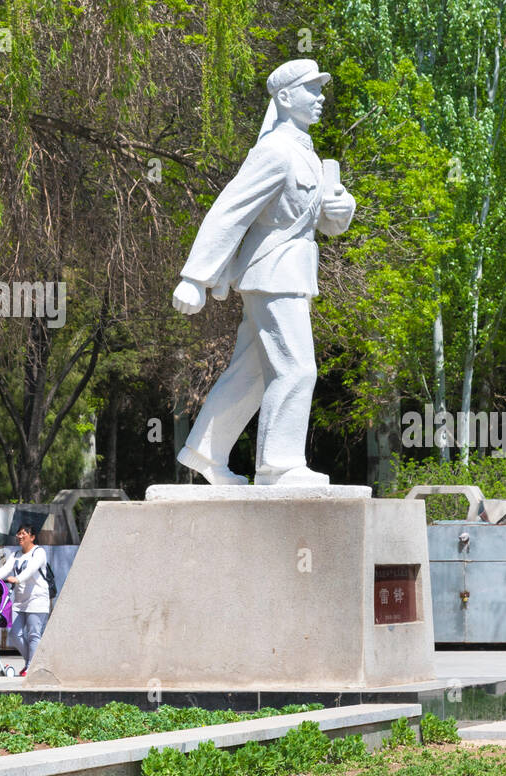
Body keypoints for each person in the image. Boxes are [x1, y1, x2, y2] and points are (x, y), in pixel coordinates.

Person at [171, 59, 357, 487]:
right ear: (286, 97)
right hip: (272, 275)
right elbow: (230, 211)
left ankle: (205, 451)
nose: (321, 97)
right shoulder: (274, 151)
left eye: (320, 89)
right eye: (312, 90)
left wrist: (340, 212)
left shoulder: (306, 153)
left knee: (252, 372)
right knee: (295, 369)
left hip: (291, 273)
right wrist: (194, 278)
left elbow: (320, 221)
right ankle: (278, 465)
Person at [0, 524, 50, 676]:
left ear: (32, 537)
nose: (20, 536)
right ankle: (33, 662)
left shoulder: (39, 552)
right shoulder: (16, 554)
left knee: (33, 635)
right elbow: (5, 569)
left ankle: (30, 666)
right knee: (14, 634)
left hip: (37, 599)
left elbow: (31, 570)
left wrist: (17, 579)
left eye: (24, 533)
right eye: (19, 533)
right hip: (19, 600)